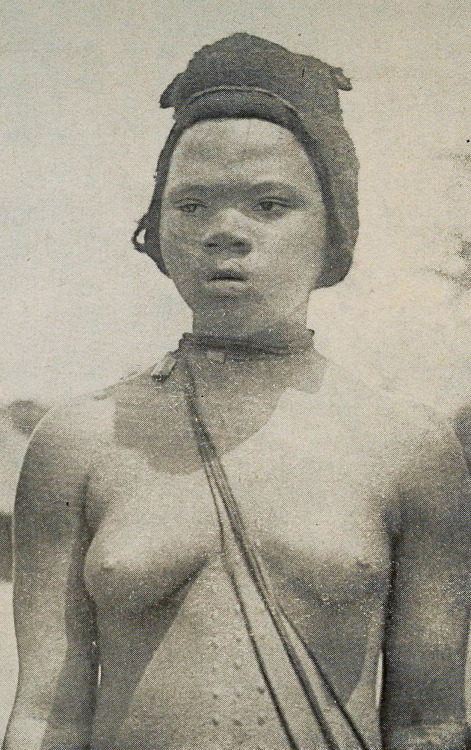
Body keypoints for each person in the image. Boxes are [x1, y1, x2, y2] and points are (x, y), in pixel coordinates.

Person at [4, 34, 471, 750]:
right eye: (192, 205)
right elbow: (47, 715)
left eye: (269, 204)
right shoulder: (80, 443)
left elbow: (427, 721)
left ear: (333, 227)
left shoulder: (407, 450)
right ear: (157, 230)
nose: (225, 232)